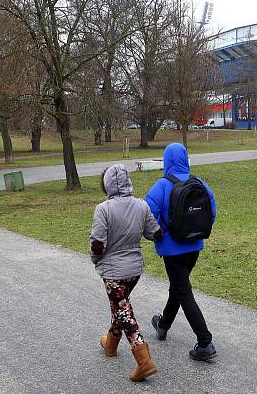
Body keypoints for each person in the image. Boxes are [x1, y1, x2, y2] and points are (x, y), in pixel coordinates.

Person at [90, 164, 163, 382]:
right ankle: (110, 345)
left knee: (124, 312)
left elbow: (97, 244)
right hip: (134, 271)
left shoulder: (103, 209)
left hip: (113, 272)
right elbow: (154, 232)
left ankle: (144, 362)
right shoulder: (141, 205)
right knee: (120, 307)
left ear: (107, 184)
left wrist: (96, 261)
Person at [146, 143, 218, 361]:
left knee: (183, 291)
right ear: (185, 158)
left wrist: (161, 235)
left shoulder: (160, 187)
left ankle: (205, 342)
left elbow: (148, 218)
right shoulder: (201, 184)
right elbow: (211, 213)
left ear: (166, 160)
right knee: (178, 286)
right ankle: (163, 324)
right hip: (194, 247)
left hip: (172, 250)